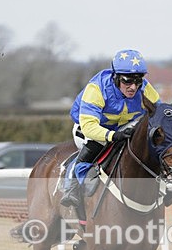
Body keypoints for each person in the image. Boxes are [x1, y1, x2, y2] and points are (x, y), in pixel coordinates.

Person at [60, 49, 161, 208]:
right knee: (95, 146)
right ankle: (70, 187)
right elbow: (89, 127)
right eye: (127, 81)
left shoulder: (145, 89)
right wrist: (113, 136)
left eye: (138, 81)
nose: (133, 87)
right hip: (89, 127)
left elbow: (159, 115)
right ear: (116, 77)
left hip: (123, 125)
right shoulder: (97, 89)